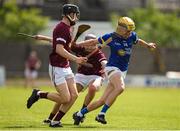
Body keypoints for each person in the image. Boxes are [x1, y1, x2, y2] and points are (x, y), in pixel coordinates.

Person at [72, 16, 157, 125]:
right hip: (112, 68)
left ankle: (79, 114)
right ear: (121, 29)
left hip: (122, 71)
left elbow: (138, 41)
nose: (129, 33)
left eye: (131, 31)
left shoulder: (132, 36)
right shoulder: (110, 37)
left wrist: (148, 45)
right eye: (127, 31)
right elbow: (93, 42)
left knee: (102, 100)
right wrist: (76, 44)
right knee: (120, 88)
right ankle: (101, 114)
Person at [26, 4, 87, 128]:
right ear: (68, 15)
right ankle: (39, 94)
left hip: (65, 66)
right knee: (65, 98)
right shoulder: (62, 28)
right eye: (74, 14)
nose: (76, 17)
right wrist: (77, 59)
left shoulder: (67, 28)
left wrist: (43, 37)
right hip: (57, 67)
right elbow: (59, 49)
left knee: (74, 95)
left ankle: (55, 121)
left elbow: (61, 44)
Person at [33, 33, 107, 125]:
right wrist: (42, 37)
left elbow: (104, 62)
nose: (90, 47)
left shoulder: (98, 53)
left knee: (93, 88)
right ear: (84, 44)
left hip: (96, 76)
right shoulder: (78, 48)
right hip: (81, 76)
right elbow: (60, 42)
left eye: (93, 45)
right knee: (66, 95)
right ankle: (50, 118)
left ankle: (81, 113)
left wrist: (106, 67)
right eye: (88, 44)